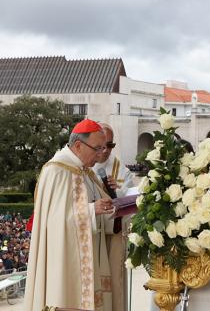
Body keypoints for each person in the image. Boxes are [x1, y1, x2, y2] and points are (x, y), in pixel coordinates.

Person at [24, 119, 114, 311]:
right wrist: (91, 210)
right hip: (65, 264)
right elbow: (54, 222)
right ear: (78, 145)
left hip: (90, 258)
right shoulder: (56, 171)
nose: (100, 155)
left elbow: (100, 209)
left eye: (103, 148)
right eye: (97, 148)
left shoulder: (87, 173)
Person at [93, 123, 135, 311]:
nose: (105, 150)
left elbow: (130, 203)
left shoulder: (121, 171)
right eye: (102, 145)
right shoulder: (83, 164)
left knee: (114, 283)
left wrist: (116, 192)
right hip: (92, 233)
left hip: (113, 237)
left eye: (110, 145)